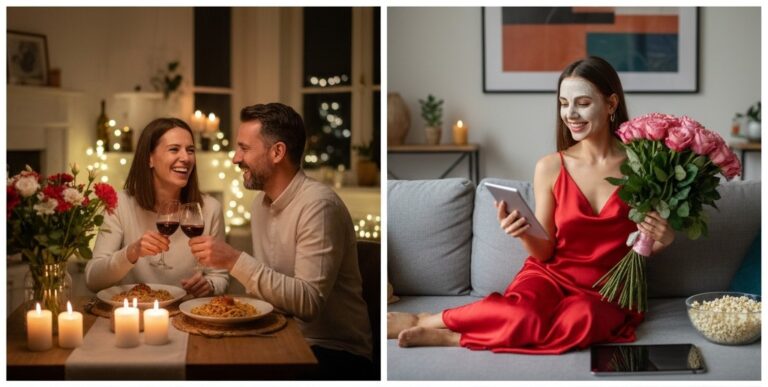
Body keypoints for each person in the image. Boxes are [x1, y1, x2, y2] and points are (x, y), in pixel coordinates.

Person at [387, 56, 675, 353]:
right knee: (522, 315)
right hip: (549, 276)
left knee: (583, 319)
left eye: (582, 103)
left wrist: (664, 239)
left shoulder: (645, 165)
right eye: (564, 103)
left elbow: (643, 244)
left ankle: (454, 338)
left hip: (606, 289)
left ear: (611, 104)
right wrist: (523, 232)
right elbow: (545, 251)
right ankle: (427, 319)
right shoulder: (550, 167)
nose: (570, 114)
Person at [188, 103, 374, 379]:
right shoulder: (259, 205)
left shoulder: (318, 206)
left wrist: (233, 260)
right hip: (279, 333)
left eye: (245, 148)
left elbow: (308, 303)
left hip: (334, 352)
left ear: (277, 152)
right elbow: (271, 292)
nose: (236, 158)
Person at [86, 118, 229, 297]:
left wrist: (209, 285)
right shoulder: (120, 205)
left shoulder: (210, 209)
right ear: (149, 158)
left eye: (190, 150)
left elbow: (220, 277)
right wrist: (131, 252)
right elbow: (92, 279)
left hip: (187, 315)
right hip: (135, 316)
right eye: (174, 149)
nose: (185, 158)